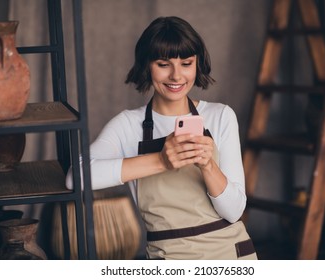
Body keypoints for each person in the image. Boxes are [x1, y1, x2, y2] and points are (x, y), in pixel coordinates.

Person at [66, 16, 257, 260]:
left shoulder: (220, 116)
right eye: (163, 64)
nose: (177, 76)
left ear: (197, 65)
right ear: (147, 65)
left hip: (230, 256)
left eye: (186, 63)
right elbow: (76, 177)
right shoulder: (128, 125)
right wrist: (161, 161)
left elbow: (234, 211)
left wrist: (208, 166)